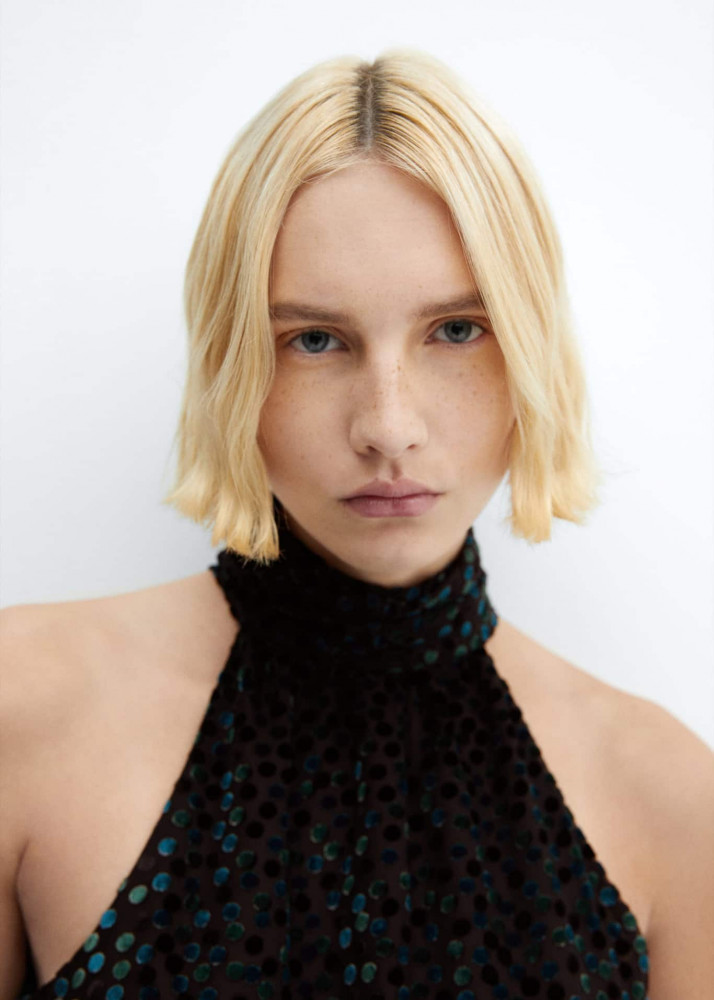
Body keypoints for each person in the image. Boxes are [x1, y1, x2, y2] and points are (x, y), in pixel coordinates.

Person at [1, 48, 711, 1000]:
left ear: (533, 347)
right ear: (231, 365)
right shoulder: (24, 705)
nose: (388, 426)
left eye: (456, 330)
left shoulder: (670, 795)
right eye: (315, 340)